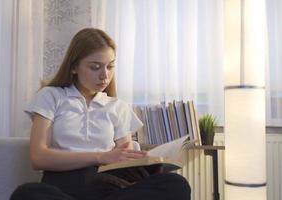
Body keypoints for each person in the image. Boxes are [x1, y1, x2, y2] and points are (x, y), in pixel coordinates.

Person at [10, 28, 191, 200]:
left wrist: (145, 164)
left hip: (107, 189)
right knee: (27, 194)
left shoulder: (117, 107)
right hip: (62, 187)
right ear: (74, 67)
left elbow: (124, 160)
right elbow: (38, 158)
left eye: (110, 67)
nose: (105, 75)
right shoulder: (50, 96)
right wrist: (100, 156)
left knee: (176, 184)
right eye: (95, 67)